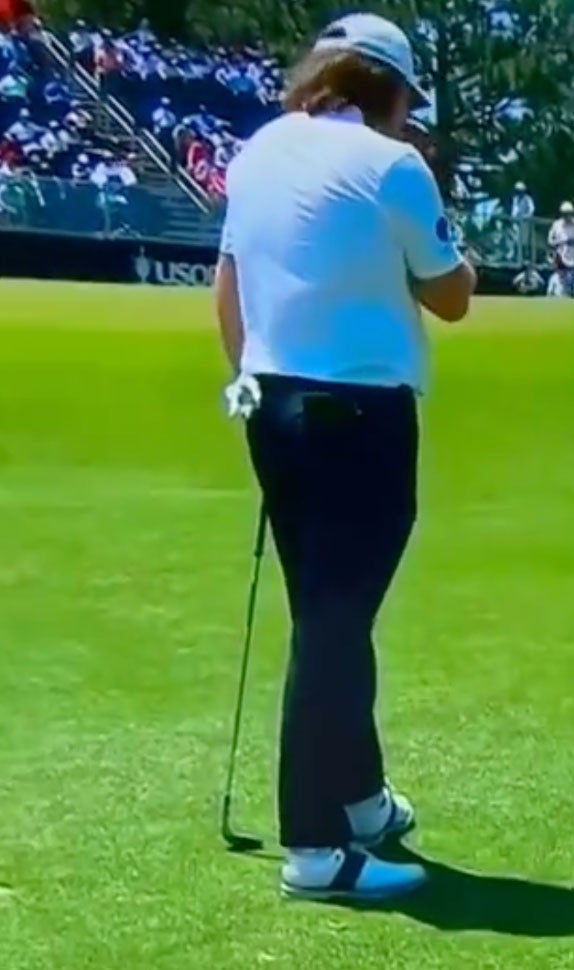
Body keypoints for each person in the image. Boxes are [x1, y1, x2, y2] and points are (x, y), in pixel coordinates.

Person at [215, 11, 476, 902]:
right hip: (360, 419)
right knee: (330, 628)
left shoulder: (254, 154)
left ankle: (362, 802)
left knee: (333, 617)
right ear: (390, 91)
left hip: (272, 408)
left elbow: (229, 287)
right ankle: (316, 849)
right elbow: (452, 297)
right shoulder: (394, 166)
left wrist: (249, 378)